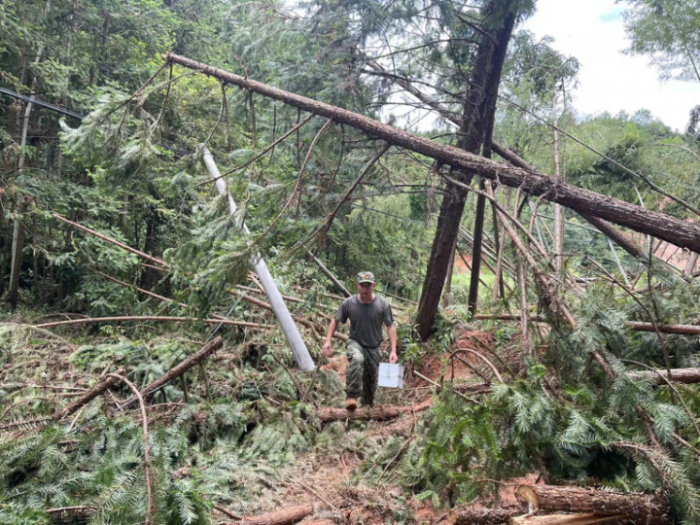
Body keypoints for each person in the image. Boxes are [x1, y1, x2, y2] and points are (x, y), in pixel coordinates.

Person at [322, 271, 398, 410]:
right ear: (357, 285)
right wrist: (328, 341)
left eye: (368, 285)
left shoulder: (383, 304)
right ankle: (351, 396)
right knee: (357, 359)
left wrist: (393, 350)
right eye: (362, 285)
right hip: (355, 342)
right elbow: (335, 320)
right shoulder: (349, 303)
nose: (365, 288)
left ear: (373, 286)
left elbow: (390, 326)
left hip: (374, 346)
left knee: (371, 378)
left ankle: (367, 407)